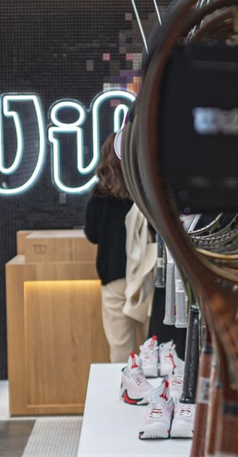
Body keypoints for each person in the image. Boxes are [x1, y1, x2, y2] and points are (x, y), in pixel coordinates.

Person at [84, 133, 146, 362]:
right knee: (155, 345)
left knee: (121, 349)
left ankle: (128, 392)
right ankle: (158, 395)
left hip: (115, 276)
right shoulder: (146, 189)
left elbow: (92, 235)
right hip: (147, 275)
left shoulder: (100, 194)